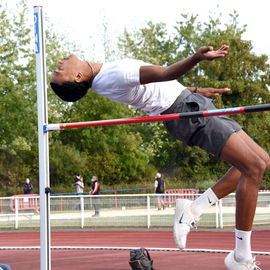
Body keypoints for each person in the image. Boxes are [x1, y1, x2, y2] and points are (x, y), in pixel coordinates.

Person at [50, 45, 269, 269]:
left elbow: (158, 87)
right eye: (59, 73)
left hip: (187, 101)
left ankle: (194, 209)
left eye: (57, 71)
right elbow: (165, 73)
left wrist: (193, 91)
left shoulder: (102, 76)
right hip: (185, 111)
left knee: (262, 161)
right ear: (78, 77)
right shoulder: (111, 76)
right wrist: (196, 57)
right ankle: (240, 257)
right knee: (252, 167)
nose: (58, 66)